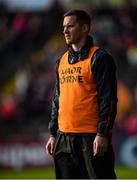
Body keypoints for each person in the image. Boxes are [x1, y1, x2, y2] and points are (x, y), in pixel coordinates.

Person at [46, 9, 117, 179]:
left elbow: (109, 100)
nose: (65, 31)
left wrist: (102, 134)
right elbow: (58, 100)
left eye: (70, 26)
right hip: (63, 139)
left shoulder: (100, 58)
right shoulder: (61, 61)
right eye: (64, 26)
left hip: (90, 138)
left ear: (85, 28)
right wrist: (53, 133)